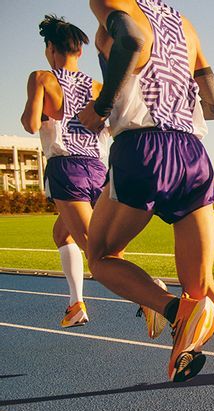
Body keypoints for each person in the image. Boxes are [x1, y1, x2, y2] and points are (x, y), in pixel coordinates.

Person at [78, 0, 214, 411]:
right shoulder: (186, 24)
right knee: (204, 286)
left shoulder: (112, 3)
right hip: (191, 152)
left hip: (142, 146)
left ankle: (173, 311)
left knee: (100, 256)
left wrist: (102, 106)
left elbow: (131, 39)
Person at [20, 15, 109, 328]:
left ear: (49, 48)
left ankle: (154, 298)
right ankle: (75, 303)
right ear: (80, 52)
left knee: (97, 254)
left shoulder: (42, 77)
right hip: (98, 170)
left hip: (66, 167)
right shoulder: (97, 86)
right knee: (62, 233)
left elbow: (31, 124)